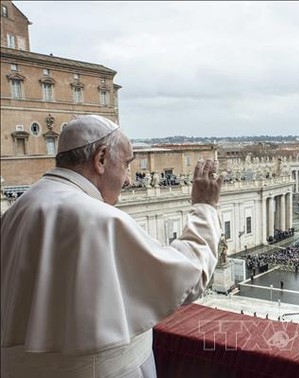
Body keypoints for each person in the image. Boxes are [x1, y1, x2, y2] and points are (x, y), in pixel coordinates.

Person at [1, 115, 223, 377]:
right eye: (127, 165)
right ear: (101, 158)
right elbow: (190, 277)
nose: (128, 179)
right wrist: (205, 207)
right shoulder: (101, 220)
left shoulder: (17, 209)